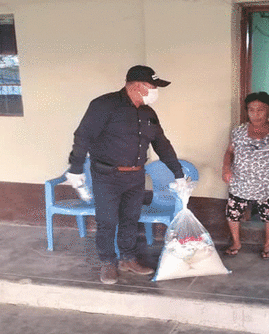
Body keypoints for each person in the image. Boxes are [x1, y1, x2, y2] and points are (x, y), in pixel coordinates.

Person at [65, 65, 186, 285]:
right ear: (138, 86)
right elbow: (83, 136)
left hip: (136, 176)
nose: (155, 91)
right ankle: (108, 262)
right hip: (107, 176)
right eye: (152, 86)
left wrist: (178, 173)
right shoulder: (104, 105)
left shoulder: (148, 113)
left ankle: (128, 259)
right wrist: (75, 168)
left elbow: (162, 143)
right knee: (107, 221)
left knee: (131, 219)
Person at [221, 92, 269, 259]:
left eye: (260, 110)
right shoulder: (238, 131)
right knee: (233, 213)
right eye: (251, 110)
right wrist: (226, 168)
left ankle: (268, 245)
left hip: (266, 183)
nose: (255, 114)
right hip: (240, 181)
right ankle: (236, 242)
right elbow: (229, 152)